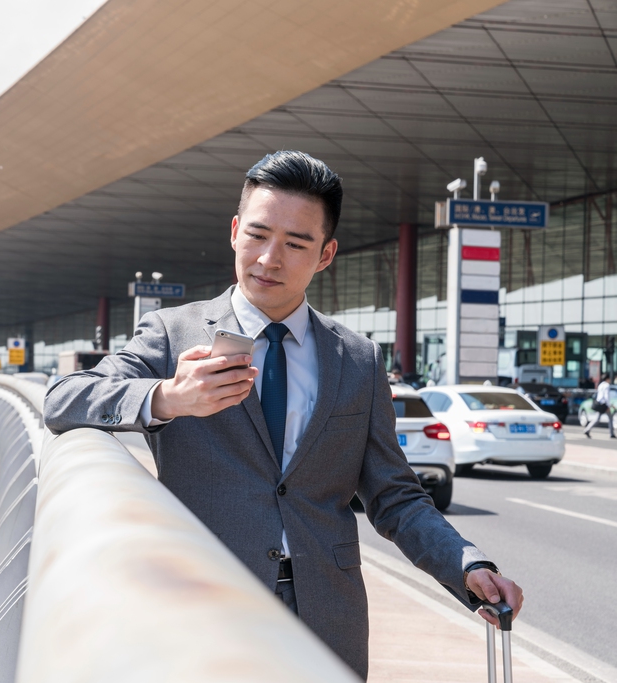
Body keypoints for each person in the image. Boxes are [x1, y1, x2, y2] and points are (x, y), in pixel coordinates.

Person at [43, 150, 523, 680]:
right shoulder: (172, 333)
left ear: (325, 254)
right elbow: (63, 397)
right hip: (206, 600)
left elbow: (394, 495)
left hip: (326, 613)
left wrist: (466, 562)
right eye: (257, 235)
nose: (269, 258)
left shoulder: (357, 359)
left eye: (295, 244)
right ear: (233, 231)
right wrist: (167, 398)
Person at [583, 372, 614, 438]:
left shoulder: (601, 385)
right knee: (610, 418)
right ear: (607, 379)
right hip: (604, 404)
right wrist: (608, 405)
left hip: (599, 403)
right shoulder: (607, 385)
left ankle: (587, 429)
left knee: (597, 418)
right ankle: (611, 434)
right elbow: (606, 396)